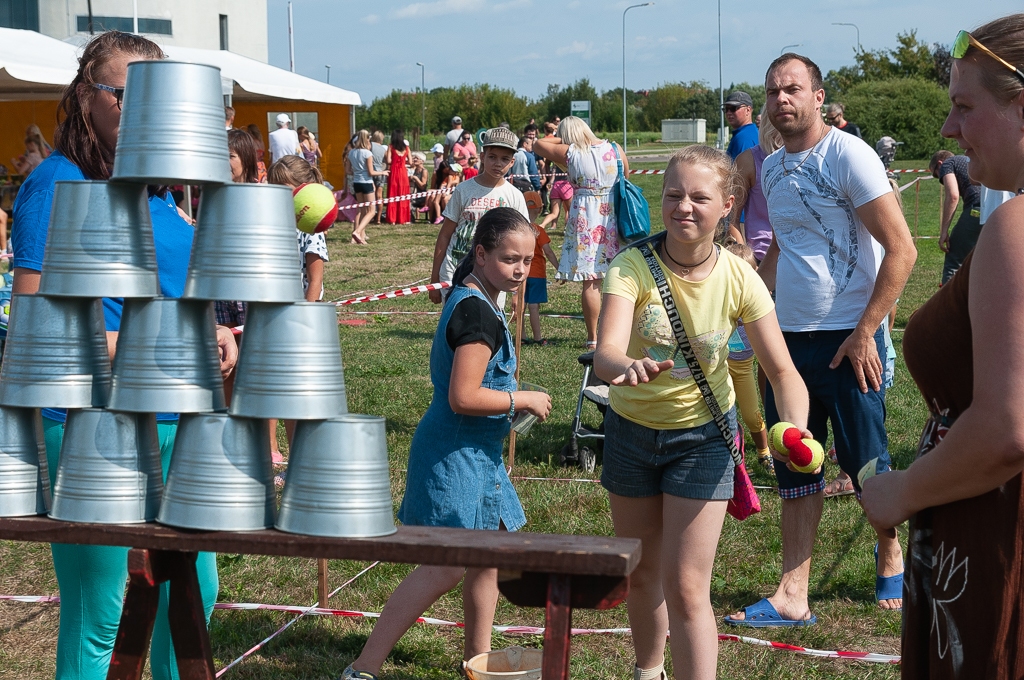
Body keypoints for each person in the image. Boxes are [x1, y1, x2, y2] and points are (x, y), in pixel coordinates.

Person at [10, 30, 237, 680]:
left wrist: (208, 329)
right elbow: (32, 332)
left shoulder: (156, 188)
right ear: (87, 97)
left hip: (178, 425)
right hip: (91, 428)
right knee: (106, 617)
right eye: (122, 94)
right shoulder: (57, 183)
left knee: (192, 599)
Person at [595, 145, 811, 680]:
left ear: (727, 206)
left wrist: (794, 428)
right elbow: (605, 353)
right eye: (673, 195)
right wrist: (625, 366)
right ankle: (649, 673)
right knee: (642, 574)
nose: (683, 207)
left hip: (704, 440)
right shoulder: (630, 267)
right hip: (630, 434)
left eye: (699, 197)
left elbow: (783, 373)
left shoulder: (741, 278)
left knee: (688, 586)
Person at [726, 53, 917, 626]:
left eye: (793, 89)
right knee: (796, 461)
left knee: (867, 464)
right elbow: (783, 246)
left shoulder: (848, 154)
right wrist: (753, 312)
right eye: (772, 91)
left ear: (817, 96)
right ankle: (793, 595)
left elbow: (903, 250)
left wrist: (865, 333)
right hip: (788, 340)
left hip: (848, 339)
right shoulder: (771, 167)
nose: (781, 99)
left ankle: (890, 548)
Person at [862, 15, 1024, 677]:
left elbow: (1005, 430)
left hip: (997, 542)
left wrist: (902, 492)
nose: (948, 130)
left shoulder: (1015, 227)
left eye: (964, 106)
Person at [341, 208, 552, 680]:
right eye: (509, 259)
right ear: (480, 253)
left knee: (487, 559)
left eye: (526, 260)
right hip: (454, 455)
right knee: (446, 567)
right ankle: (363, 668)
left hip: (479, 456)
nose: (519, 269)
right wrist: (523, 397)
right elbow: (463, 396)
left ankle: (476, 665)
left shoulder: (480, 297)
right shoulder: (476, 311)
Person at [533, 115, 625, 349]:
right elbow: (626, 174)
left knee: (590, 280)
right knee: (619, 277)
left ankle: (593, 337)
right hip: (613, 215)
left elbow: (538, 144)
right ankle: (619, 332)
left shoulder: (571, 153)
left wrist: (559, 135)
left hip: (586, 216)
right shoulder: (614, 148)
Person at [428, 128, 530, 304]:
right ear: (482, 157)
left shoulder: (515, 197)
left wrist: (518, 292)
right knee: (456, 326)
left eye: (504, 159)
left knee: (490, 327)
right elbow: (445, 235)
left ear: (512, 162)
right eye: (492, 157)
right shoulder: (463, 190)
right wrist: (435, 278)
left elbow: (524, 247)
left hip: (496, 277)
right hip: (455, 271)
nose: (498, 163)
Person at [724, 241, 772, 471]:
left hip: (742, 366)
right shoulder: (721, 299)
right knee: (721, 415)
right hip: (716, 367)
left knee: (752, 415)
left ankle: (764, 452)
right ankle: (730, 458)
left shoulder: (760, 301)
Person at [268, 156, 330, 303]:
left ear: (303, 190)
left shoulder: (309, 229)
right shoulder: (270, 222)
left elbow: (315, 279)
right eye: (272, 188)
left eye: (283, 189)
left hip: (299, 307)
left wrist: (305, 316)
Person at [728, 107, 782, 260]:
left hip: (801, 259)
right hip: (761, 256)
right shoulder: (748, 160)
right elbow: (732, 219)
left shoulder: (808, 158)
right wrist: (746, 261)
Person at [929, 149, 982, 284]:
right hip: (996, 209)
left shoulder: (948, 164)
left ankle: (948, 303)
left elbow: (953, 196)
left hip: (977, 210)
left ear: (940, 164)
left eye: (937, 175)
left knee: (954, 261)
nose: (940, 180)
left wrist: (944, 232)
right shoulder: (967, 160)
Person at [523, 192, 559, 345]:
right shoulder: (539, 230)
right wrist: (559, 268)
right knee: (533, 306)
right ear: (539, 210)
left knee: (520, 306)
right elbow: (549, 252)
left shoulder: (518, 230)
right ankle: (538, 338)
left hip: (521, 274)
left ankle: (522, 336)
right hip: (537, 274)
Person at [348, 130, 387, 245]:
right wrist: (383, 173)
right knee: (371, 211)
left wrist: (357, 172)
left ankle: (361, 237)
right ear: (367, 139)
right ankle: (357, 231)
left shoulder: (351, 153)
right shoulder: (367, 154)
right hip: (366, 183)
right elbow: (371, 172)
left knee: (362, 210)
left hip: (356, 183)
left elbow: (348, 170)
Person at [386, 129, 411, 224]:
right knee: (403, 194)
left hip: (394, 172)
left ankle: (392, 219)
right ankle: (403, 218)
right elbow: (411, 161)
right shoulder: (406, 148)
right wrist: (404, 161)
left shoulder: (391, 147)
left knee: (393, 193)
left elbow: (388, 160)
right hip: (403, 172)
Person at [724, 90, 759, 160]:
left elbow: (742, 170)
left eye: (733, 108)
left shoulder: (744, 138)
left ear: (748, 110)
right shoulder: (750, 132)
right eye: (726, 109)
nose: (728, 113)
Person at [427, 161, 459, 225]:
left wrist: (446, 192)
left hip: (447, 192)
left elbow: (449, 185)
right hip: (441, 191)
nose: (449, 170)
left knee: (440, 200)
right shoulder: (437, 174)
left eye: (451, 169)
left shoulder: (452, 176)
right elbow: (439, 185)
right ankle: (433, 218)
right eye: (449, 168)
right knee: (432, 197)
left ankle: (443, 217)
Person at [370, 131, 388, 225]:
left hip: (372, 172)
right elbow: (387, 160)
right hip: (381, 172)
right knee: (380, 196)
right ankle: (378, 219)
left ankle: (371, 215)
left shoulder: (370, 145)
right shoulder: (383, 149)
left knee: (371, 195)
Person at [409, 151, 429, 217]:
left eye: (416, 158)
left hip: (420, 196)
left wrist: (415, 178)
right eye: (414, 158)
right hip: (414, 194)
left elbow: (422, 186)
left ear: (422, 161)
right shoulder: (416, 170)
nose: (414, 159)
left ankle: (410, 218)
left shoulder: (424, 171)